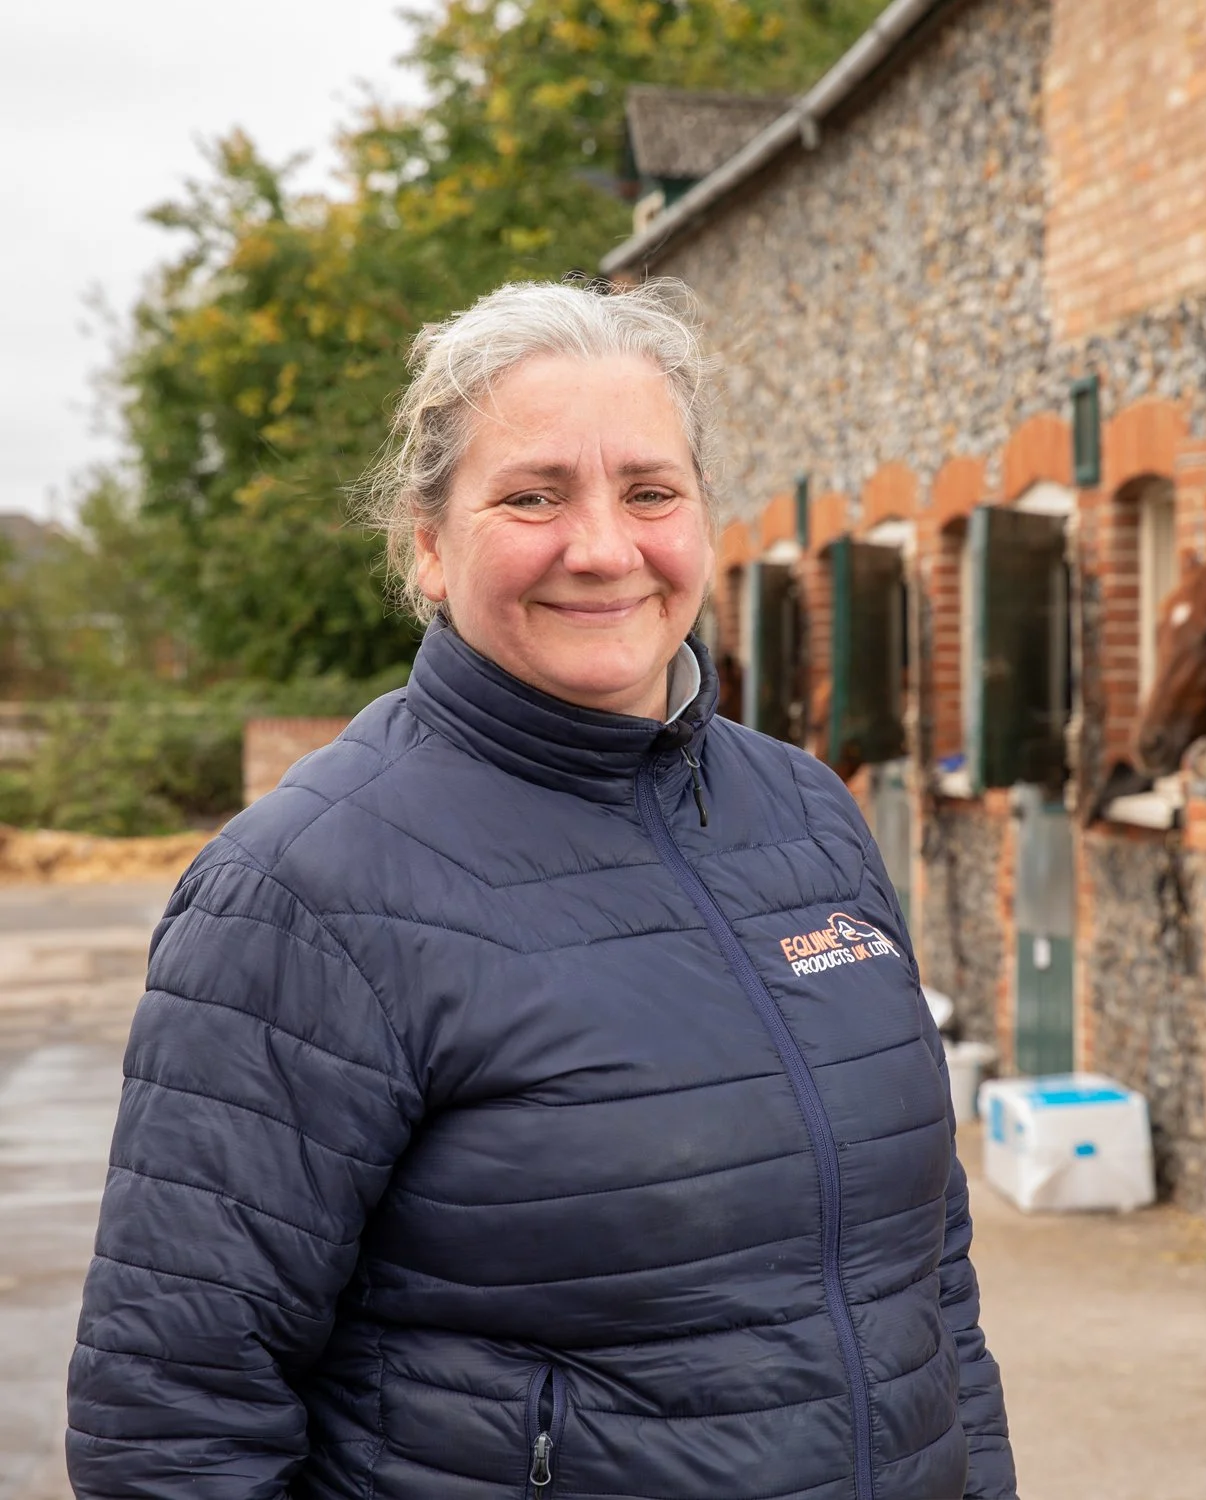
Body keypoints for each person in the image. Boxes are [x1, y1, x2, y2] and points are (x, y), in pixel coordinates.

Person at [66, 279, 1018, 1500]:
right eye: (532, 496)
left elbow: (926, 1281)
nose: (606, 548)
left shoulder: (808, 817)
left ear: (703, 518)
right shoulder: (304, 890)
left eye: (650, 491)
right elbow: (174, 1411)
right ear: (426, 542)